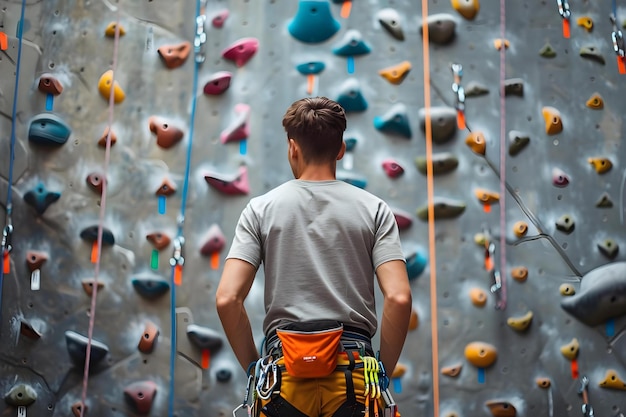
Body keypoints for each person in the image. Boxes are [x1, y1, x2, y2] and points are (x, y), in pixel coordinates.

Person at [216, 97, 412, 417]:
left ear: (292, 147)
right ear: (341, 149)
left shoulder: (260, 210)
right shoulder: (374, 210)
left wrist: (254, 368)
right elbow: (400, 298)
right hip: (354, 374)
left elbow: (227, 298)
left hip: (284, 378)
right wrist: (381, 372)